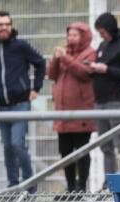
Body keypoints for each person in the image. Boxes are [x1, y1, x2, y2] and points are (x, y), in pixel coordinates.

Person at [0, 10, 46, 190]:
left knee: (17, 143)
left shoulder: (21, 46)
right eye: (0, 25)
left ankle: (30, 185)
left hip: (21, 103)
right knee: (7, 147)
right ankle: (13, 186)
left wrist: (36, 88)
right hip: (2, 107)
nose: (4, 28)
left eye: (7, 24)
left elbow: (40, 63)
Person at [88, 12, 120, 175]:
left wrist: (106, 69)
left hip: (117, 101)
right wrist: (92, 69)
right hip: (100, 102)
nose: (101, 36)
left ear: (110, 29)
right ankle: (108, 182)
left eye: (103, 32)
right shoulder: (103, 46)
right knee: (105, 145)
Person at [47, 22, 96, 192]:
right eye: (69, 35)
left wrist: (66, 59)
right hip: (63, 112)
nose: (71, 38)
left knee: (81, 150)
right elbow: (52, 75)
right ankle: (70, 187)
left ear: (83, 36)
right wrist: (55, 59)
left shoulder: (90, 53)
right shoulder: (64, 53)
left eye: (75, 35)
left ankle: (81, 186)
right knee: (65, 151)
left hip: (81, 111)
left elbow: (84, 73)